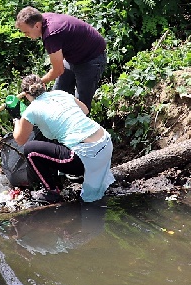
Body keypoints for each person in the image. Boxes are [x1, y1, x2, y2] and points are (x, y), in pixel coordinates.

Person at [11, 74, 114, 203]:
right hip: (106, 144)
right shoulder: (60, 93)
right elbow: (85, 110)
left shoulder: (31, 110)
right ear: (44, 86)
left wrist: (16, 119)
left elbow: (20, 140)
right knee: (57, 139)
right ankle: (76, 175)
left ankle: (51, 191)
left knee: (30, 150)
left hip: (86, 156)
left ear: (26, 95)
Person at [15, 7, 107, 111]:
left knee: (81, 107)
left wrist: (38, 83)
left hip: (91, 59)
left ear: (36, 25)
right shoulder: (43, 19)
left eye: (26, 32)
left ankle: (79, 125)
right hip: (73, 57)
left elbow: (58, 70)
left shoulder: (51, 35)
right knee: (57, 95)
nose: (25, 35)